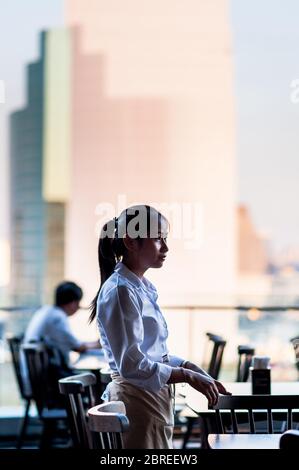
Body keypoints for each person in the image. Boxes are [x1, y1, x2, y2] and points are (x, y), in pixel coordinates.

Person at [89, 205, 231, 449]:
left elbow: (151, 354)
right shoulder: (122, 290)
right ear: (131, 242)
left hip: (150, 401)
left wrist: (187, 366)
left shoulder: (138, 287)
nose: (165, 247)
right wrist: (186, 376)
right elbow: (133, 366)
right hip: (138, 404)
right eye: (158, 238)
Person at [22, 281, 101, 397]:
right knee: (94, 381)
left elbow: (74, 344)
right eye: (78, 302)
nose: (78, 307)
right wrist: (100, 343)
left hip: (37, 379)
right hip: (46, 383)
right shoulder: (57, 318)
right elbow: (78, 347)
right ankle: (91, 413)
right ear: (72, 302)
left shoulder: (46, 311)